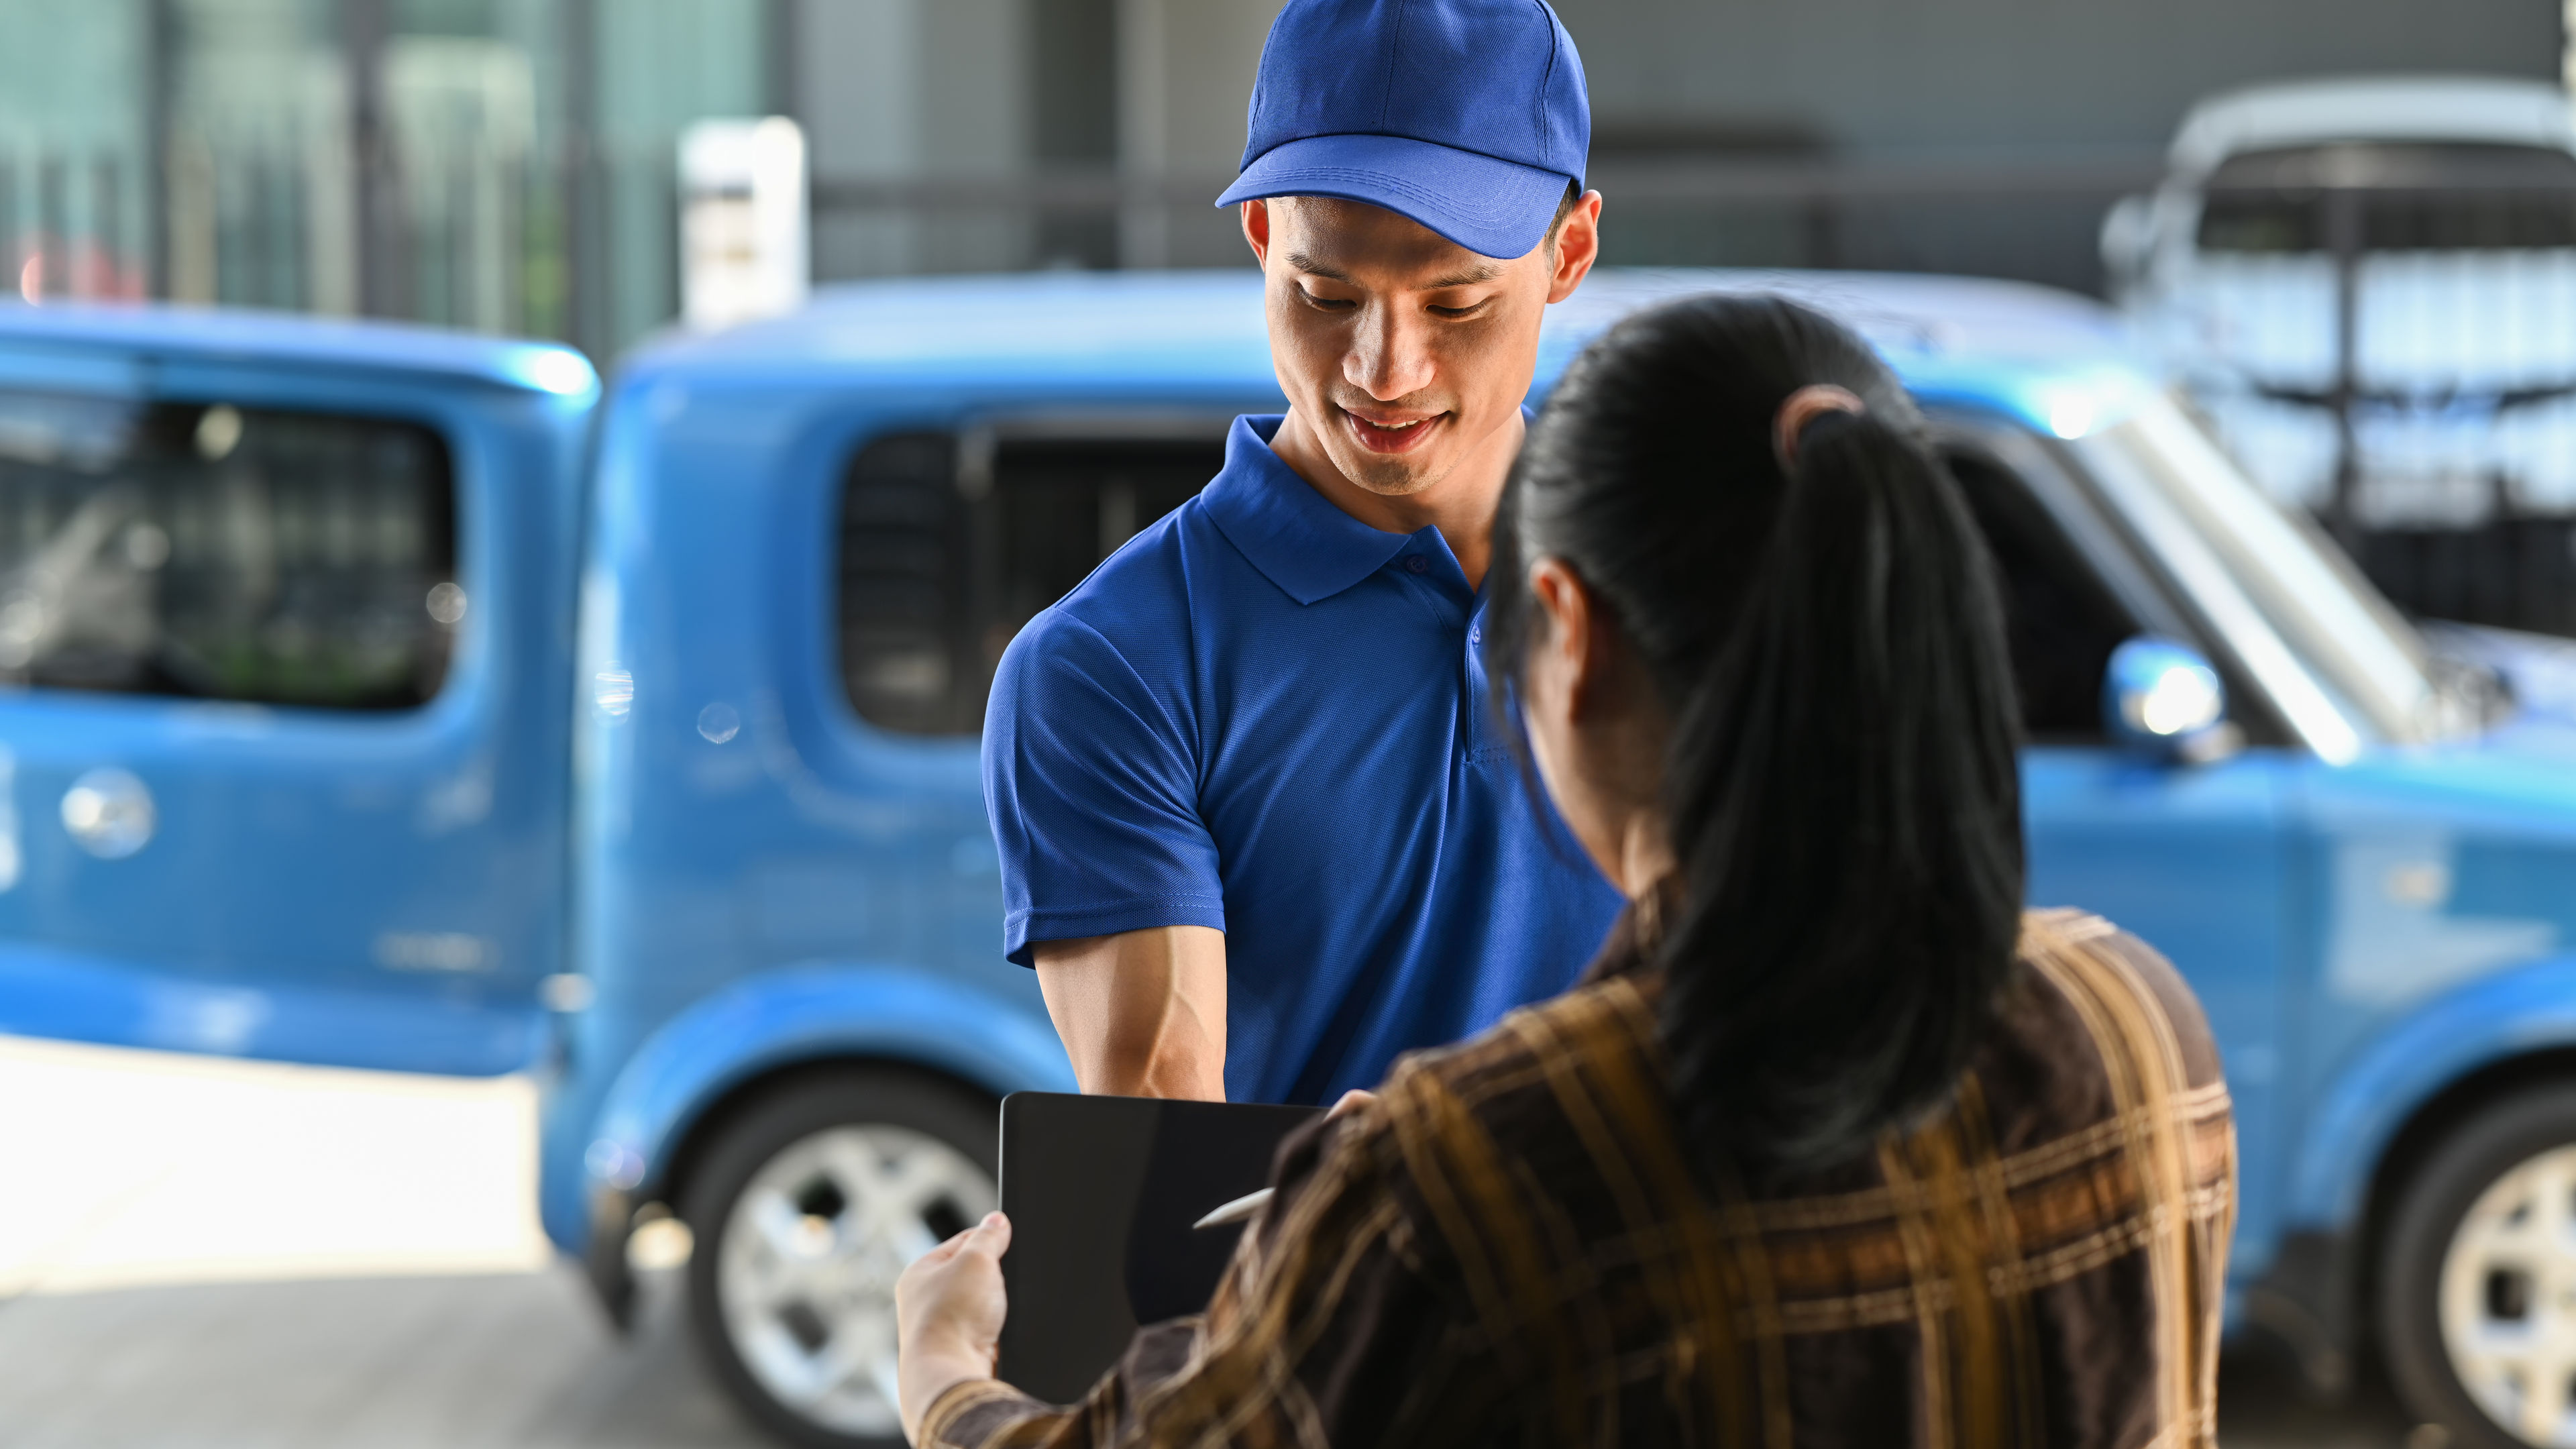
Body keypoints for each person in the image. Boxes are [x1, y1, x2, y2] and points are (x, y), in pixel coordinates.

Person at [898, 294, 2239, 1448]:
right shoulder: (2130, 1021)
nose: (1389, 365)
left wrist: (947, 1377)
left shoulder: (1486, 1175)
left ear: (1571, 637)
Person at [980, 0, 1625, 1106]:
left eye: (1457, 301)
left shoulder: (1685, 583)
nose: (1385, 370)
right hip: (1319, 1286)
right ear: (1261, 241)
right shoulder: (1116, 665)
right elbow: (1163, 1147)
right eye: (1326, 296)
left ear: (1568, 253)